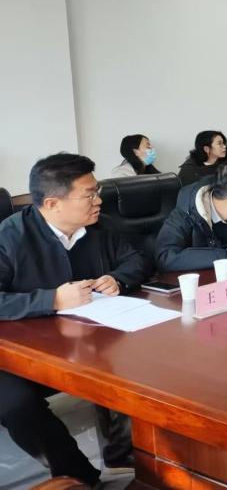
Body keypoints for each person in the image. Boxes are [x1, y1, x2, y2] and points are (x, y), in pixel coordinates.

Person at [0, 153, 151, 485]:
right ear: (53, 204)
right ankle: (80, 477)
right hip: (17, 351)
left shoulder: (99, 225)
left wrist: (118, 278)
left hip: (87, 336)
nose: (99, 201)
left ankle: (122, 454)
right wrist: (51, 299)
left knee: (138, 359)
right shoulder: (10, 237)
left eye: (97, 191)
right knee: (17, 405)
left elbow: (139, 258)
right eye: (89, 194)